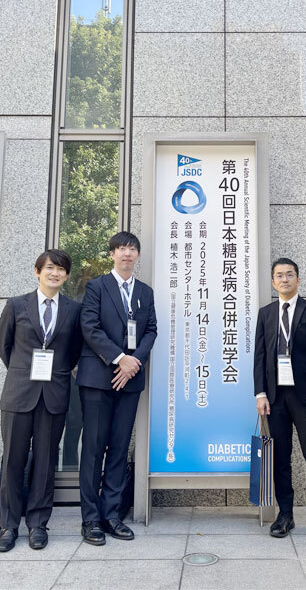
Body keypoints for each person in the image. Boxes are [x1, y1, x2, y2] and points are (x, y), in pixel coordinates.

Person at [77, 232, 157, 545]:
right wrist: (120, 358)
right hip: (98, 378)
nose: (127, 253)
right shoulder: (96, 287)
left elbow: (151, 330)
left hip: (130, 380)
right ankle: (90, 519)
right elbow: (90, 327)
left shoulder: (145, 292)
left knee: (119, 448)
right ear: (112, 254)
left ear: (138, 255)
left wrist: (133, 362)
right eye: (121, 248)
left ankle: (110, 516)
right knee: (94, 448)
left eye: (132, 248)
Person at [0, 249, 82, 552]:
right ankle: (8, 525)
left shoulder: (73, 310)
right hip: (19, 394)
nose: (55, 273)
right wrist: (23, 371)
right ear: (37, 272)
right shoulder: (16, 305)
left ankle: (38, 524)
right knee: (12, 461)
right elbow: (4, 346)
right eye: (49, 268)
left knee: (46, 462)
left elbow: (74, 351)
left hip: (54, 394)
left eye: (61, 269)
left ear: (67, 276)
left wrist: (56, 372)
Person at [254, 258, 306, 541]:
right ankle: (285, 514)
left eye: (289, 275)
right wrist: (260, 393)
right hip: (275, 397)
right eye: (279, 276)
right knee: (280, 459)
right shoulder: (266, 313)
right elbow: (260, 355)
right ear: (273, 282)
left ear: (298, 279)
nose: (284, 280)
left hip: (304, 397)